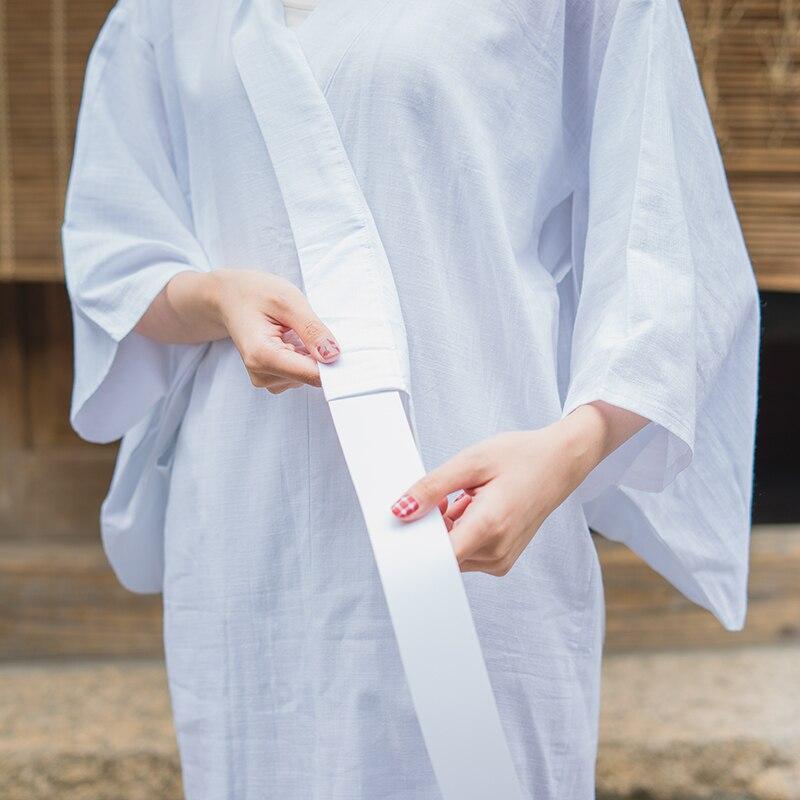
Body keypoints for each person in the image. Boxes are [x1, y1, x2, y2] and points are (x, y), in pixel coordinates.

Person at [62, 0, 760, 797]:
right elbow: (115, 258)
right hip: (250, 525)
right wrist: (216, 297)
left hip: (478, 496)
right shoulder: (165, 15)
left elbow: (663, 246)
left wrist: (569, 453)